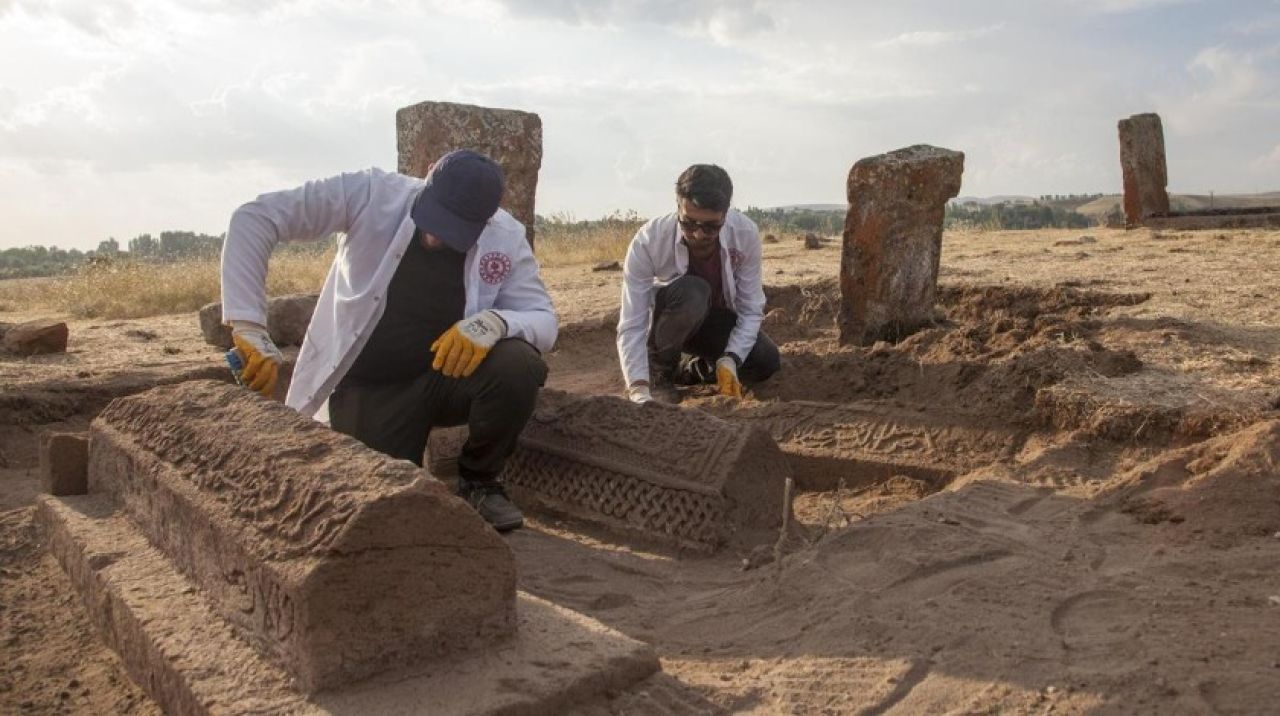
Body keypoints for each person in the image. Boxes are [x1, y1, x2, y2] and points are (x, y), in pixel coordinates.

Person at [220, 149, 557, 532]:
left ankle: (480, 482)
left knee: (518, 364)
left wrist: (496, 322)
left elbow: (543, 320)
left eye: (453, 230)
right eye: (433, 219)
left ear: (486, 219)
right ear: (427, 175)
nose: (434, 236)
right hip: (369, 389)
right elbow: (255, 217)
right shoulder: (369, 193)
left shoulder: (505, 236)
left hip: (443, 381)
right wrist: (247, 324)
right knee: (389, 510)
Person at [617, 163, 780, 403]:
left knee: (765, 361)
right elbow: (632, 320)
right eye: (689, 224)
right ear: (678, 208)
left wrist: (731, 359)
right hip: (666, 320)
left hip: (711, 321)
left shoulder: (745, 234)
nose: (698, 234)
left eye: (711, 227)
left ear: (726, 214)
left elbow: (750, 308)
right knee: (693, 291)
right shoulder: (649, 240)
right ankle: (658, 372)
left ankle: (689, 370)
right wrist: (638, 386)